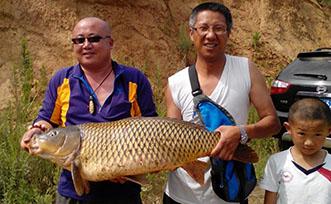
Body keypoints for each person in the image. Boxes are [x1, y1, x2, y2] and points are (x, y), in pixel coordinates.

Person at [20, 17, 157, 204]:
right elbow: (47, 119)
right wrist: (36, 129)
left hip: (124, 192)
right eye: (79, 40)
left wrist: (131, 169)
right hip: (73, 191)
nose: (86, 45)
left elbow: (151, 127)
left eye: (93, 39)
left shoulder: (133, 78)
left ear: (110, 43)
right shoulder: (62, 80)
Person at [163, 2, 280, 204]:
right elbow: (172, 140)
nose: (210, 35)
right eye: (204, 28)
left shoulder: (246, 69)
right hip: (180, 196)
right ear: (192, 33)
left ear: (229, 33)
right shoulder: (175, 83)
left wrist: (241, 132)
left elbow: (272, 123)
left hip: (230, 194)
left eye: (219, 28)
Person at [259, 98, 331, 204]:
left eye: (317, 134)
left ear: (329, 131)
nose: (309, 143)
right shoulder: (277, 162)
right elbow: (270, 199)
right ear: (288, 128)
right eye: (302, 134)